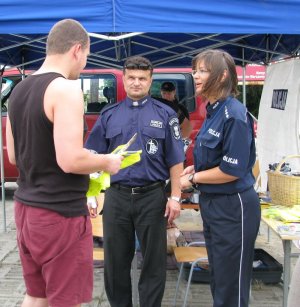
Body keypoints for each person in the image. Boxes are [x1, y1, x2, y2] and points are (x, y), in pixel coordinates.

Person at [6, 19, 123, 307]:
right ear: (77, 50)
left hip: (26, 209)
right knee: (65, 300)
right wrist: (107, 161)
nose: (84, 64)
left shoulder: (18, 90)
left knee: (36, 295)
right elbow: (69, 159)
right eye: (86, 57)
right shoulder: (67, 89)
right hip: (60, 214)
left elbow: (13, 156)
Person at [85, 55, 185, 307]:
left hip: (152, 197)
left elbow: (175, 160)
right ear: (124, 79)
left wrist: (175, 197)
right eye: (131, 78)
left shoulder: (165, 114)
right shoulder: (109, 115)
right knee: (115, 263)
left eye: (142, 78)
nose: (136, 83)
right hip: (116, 197)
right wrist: (90, 194)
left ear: (151, 80)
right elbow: (91, 156)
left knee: (154, 263)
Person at [180, 49, 261, 307]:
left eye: (203, 70)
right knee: (220, 280)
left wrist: (193, 180)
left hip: (233, 207)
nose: (196, 76)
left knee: (231, 287)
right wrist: (194, 170)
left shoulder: (234, 114)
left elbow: (231, 170)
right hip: (214, 205)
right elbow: (214, 159)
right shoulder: (214, 110)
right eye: (195, 70)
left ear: (223, 74)